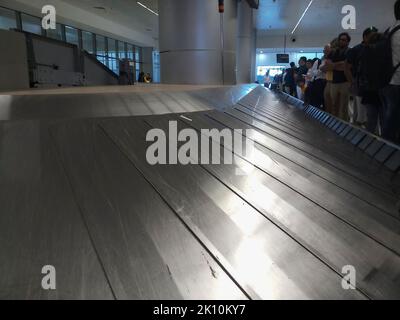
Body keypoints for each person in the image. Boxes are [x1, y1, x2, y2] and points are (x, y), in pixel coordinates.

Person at [345, 27, 380, 132]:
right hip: (360, 84)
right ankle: (359, 134)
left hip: (374, 86)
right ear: (365, 37)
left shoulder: (377, 48)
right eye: (371, 36)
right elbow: (347, 67)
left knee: (371, 114)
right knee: (360, 113)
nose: (374, 38)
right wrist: (352, 82)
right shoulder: (356, 49)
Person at [380, 0, 400, 143]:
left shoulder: (389, 31)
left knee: (390, 115)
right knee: (393, 117)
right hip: (398, 80)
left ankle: (387, 149)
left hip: (387, 80)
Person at [326, 32, 352, 120]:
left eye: (344, 40)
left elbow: (346, 67)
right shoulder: (333, 53)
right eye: (340, 39)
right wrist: (340, 64)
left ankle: (344, 126)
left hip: (345, 82)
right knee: (334, 105)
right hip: (334, 82)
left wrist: (334, 65)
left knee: (343, 107)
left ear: (348, 42)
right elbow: (328, 66)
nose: (341, 41)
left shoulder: (350, 52)